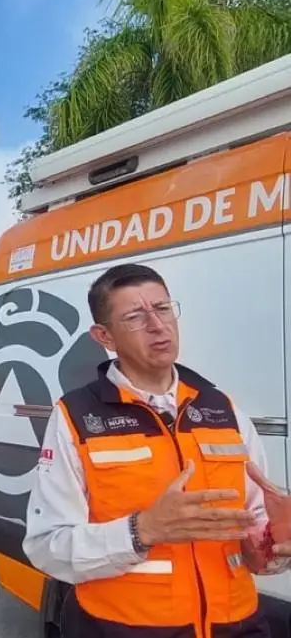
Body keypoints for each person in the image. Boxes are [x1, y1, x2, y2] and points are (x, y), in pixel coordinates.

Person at [23, 262, 291, 638]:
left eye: (163, 308)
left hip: (239, 624)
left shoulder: (222, 408)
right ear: (105, 336)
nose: (157, 325)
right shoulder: (76, 417)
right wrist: (142, 530)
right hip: (123, 629)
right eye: (135, 316)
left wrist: (271, 542)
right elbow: (47, 546)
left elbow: (252, 535)